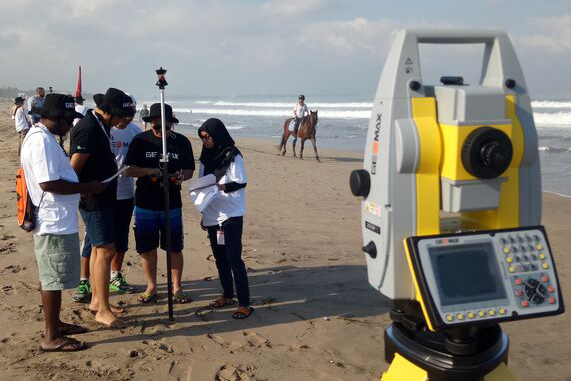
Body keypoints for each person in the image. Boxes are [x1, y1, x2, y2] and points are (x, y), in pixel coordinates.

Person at [21, 93, 107, 351]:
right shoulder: (41, 142)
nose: (70, 125)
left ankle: (55, 323)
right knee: (52, 278)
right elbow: (48, 183)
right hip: (51, 221)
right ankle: (51, 337)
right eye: (68, 120)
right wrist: (86, 187)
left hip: (56, 218)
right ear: (56, 118)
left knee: (53, 276)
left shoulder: (45, 137)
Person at [70, 88, 135, 328]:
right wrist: (85, 189)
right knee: (105, 250)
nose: (124, 122)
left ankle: (98, 301)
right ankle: (103, 310)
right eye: (122, 117)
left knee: (100, 250)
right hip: (93, 200)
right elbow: (72, 169)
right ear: (108, 111)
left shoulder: (101, 124)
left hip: (105, 197)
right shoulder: (88, 128)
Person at [124, 103, 194, 304]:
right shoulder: (140, 141)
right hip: (145, 202)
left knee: (174, 247)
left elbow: (189, 169)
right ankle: (151, 286)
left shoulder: (181, 142)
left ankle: (177, 287)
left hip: (171, 202)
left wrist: (182, 176)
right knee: (147, 248)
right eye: (157, 125)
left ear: (171, 123)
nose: (161, 128)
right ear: (151, 122)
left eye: (166, 124)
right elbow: (128, 170)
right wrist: (150, 171)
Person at [196, 118, 253, 319]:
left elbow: (242, 182)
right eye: (202, 138)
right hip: (212, 214)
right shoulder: (205, 157)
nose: (205, 141)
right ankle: (227, 294)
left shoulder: (233, 155)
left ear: (217, 134)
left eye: (207, 137)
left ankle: (244, 303)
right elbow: (202, 183)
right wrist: (203, 213)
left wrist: (220, 187)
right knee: (219, 258)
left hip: (231, 213)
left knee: (233, 258)